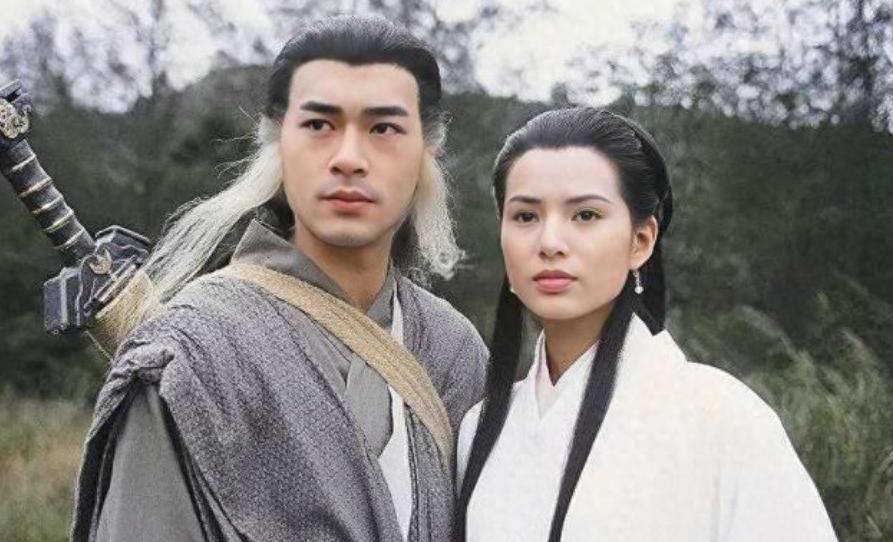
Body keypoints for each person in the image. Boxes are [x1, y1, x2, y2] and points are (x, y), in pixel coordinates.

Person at [72, 15, 488, 542]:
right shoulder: (193, 355)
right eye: (319, 125)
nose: (349, 159)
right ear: (276, 141)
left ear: (427, 149)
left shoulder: (453, 352)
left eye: (384, 128)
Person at [455, 108, 837, 541]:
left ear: (641, 241)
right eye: (526, 216)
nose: (550, 242)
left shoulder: (722, 418)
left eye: (585, 215)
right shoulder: (481, 429)